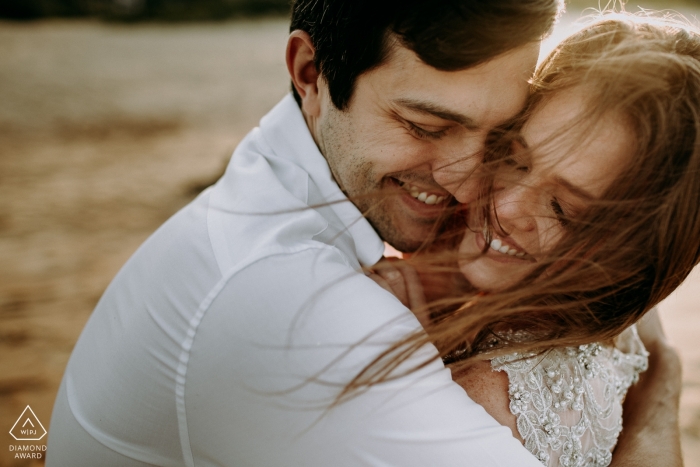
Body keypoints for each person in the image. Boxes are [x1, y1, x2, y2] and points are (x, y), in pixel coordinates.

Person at [45, 2, 681, 466]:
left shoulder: (260, 204)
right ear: (309, 73)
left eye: (497, 137)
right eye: (427, 128)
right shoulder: (299, 306)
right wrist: (656, 419)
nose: (468, 183)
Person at [370, 14, 697, 467]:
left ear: (632, 258)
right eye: (515, 159)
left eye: (563, 210)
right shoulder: (630, 328)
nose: (506, 209)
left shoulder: (475, 400)